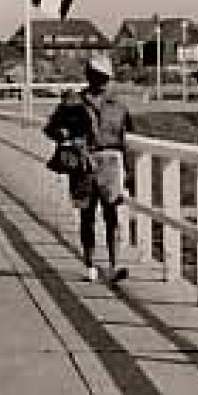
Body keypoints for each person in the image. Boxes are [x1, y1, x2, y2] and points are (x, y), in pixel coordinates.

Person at [45, 54, 134, 282]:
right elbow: (50, 128)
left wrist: (129, 172)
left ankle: (115, 266)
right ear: (89, 76)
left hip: (111, 162)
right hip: (83, 162)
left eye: (104, 77)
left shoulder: (119, 105)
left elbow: (127, 140)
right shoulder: (73, 103)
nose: (101, 82)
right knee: (87, 215)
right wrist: (64, 136)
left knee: (112, 214)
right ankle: (90, 265)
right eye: (96, 76)